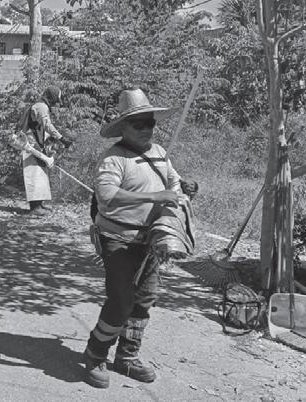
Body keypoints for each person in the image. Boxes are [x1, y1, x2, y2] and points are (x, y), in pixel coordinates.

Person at [82, 88, 197, 389]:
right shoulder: (114, 158)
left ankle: (127, 356)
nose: (146, 129)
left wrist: (183, 189)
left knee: (144, 299)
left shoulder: (160, 153)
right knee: (121, 301)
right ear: (123, 127)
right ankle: (95, 354)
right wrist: (154, 196)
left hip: (151, 241)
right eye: (138, 124)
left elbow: (173, 184)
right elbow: (107, 195)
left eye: (150, 123)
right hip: (118, 239)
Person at [17, 86, 73, 215]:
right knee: (34, 174)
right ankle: (34, 208)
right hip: (31, 144)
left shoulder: (41, 106)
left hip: (34, 143)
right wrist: (61, 138)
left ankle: (39, 204)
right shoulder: (42, 107)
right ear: (51, 97)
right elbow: (47, 125)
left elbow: (41, 127)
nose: (56, 103)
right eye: (56, 99)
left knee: (40, 174)